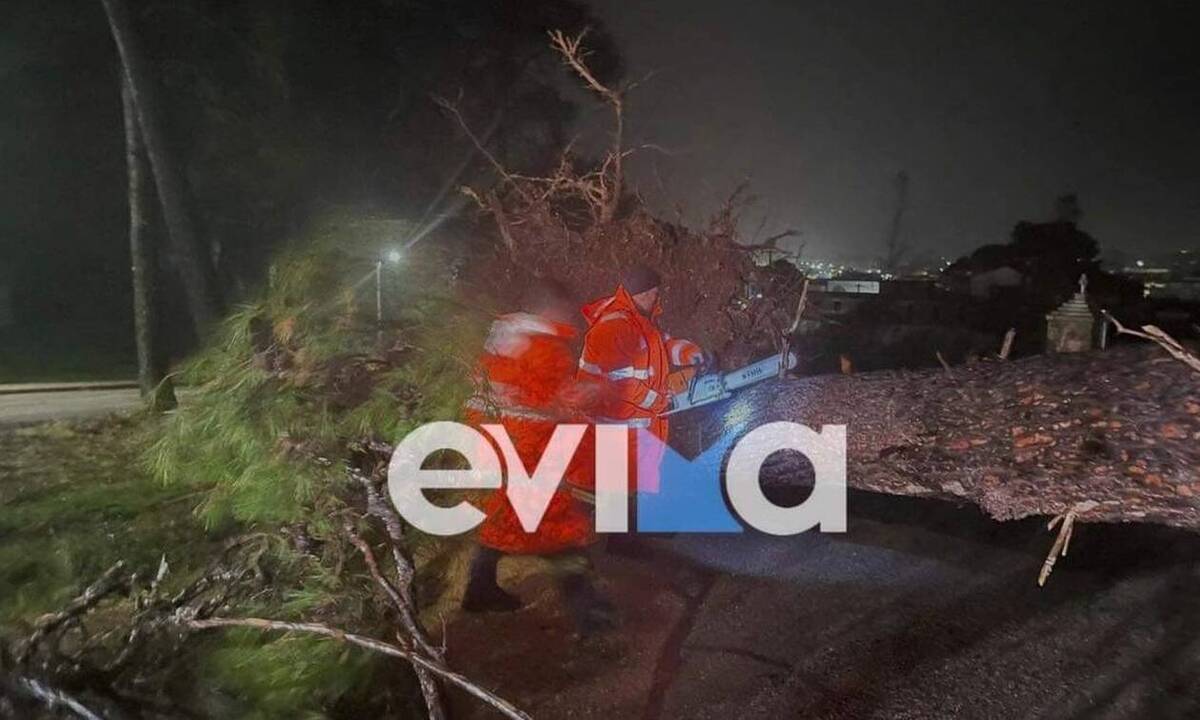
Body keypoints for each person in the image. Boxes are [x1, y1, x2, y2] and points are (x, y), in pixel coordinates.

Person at [461, 280, 614, 634]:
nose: (568, 318)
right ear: (550, 311)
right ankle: (592, 616)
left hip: (489, 443)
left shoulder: (500, 336)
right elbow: (562, 399)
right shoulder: (546, 346)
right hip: (525, 450)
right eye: (565, 311)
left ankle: (479, 590)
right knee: (560, 530)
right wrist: (596, 391)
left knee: (500, 517)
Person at [577, 264, 707, 552]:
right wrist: (661, 399)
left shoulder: (638, 320)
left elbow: (662, 344)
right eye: (655, 293)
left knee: (635, 481)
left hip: (633, 421)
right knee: (618, 487)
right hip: (614, 421)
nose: (658, 298)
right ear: (645, 293)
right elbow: (622, 383)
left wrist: (690, 353)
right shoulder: (616, 326)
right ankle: (619, 549)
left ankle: (632, 538)